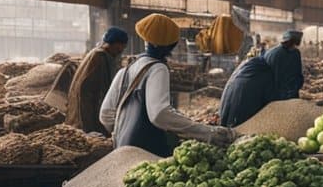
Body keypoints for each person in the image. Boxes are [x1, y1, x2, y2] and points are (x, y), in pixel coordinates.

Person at [100, 13, 235, 156]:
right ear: (170, 46)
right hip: (148, 152)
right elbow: (159, 114)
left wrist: (125, 131)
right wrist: (207, 133)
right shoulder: (157, 68)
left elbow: (105, 114)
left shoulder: (126, 70)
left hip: (122, 150)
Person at [66, 27, 128, 133]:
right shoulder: (99, 57)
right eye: (121, 46)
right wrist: (90, 126)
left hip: (87, 110)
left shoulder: (98, 54)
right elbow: (89, 91)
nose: (121, 50)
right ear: (115, 44)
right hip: (87, 113)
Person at [218, 56, 278, 127]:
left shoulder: (240, 72)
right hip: (242, 121)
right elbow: (270, 101)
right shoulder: (265, 74)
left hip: (225, 116)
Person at [264, 29, 304, 99]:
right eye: (294, 44)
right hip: (284, 94)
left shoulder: (271, 52)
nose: (295, 47)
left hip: (273, 93)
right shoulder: (289, 54)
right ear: (291, 42)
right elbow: (296, 75)